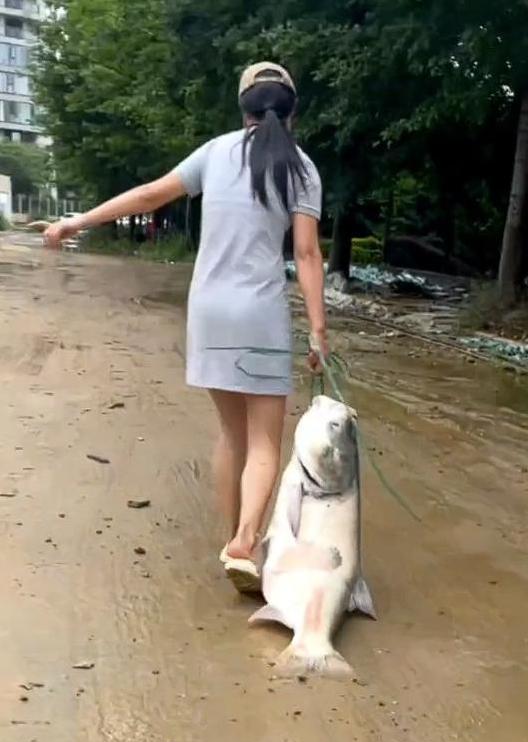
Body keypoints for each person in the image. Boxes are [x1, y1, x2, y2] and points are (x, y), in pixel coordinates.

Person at [43, 62, 328, 592]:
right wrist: (318, 331)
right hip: (260, 315)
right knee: (266, 441)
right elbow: (307, 254)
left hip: (209, 311)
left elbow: (149, 195)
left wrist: (74, 222)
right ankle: (246, 540)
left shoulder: (214, 153)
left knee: (231, 433)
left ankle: (232, 542)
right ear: (293, 111)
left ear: (242, 107)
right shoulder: (302, 168)